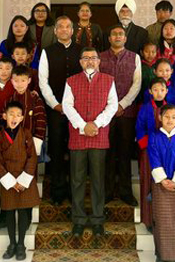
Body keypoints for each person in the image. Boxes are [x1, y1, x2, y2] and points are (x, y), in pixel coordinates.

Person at [62, 48, 119, 237]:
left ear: (99, 61)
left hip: (99, 135)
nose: (90, 61)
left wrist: (96, 123)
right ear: (80, 62)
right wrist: (82, 125)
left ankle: (97, 220)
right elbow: (67, 106)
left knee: (97, 180)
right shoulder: (71, 81)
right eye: (85, 58)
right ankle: (78, 220)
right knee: (77, 180)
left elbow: (112, 106)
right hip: (78, 136)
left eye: (93, 58)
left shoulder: (108, 80)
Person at [36, 16, 80, 204]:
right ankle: (57, 191)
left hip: (78, 111)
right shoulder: (47, 52)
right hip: (55, 109)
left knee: (75, 151)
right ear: (55, 31)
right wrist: (55, 104)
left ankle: (74, 191)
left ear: (72, 30)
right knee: (56, 148)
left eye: (67, 26)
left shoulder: (82, 51)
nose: (63, 29)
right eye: (60, 27)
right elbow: (42, 81)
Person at [98, 27, 141, 206]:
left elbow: (137, 84)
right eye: (114, 34)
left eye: (120, 34)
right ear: (109, 38)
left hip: (126, 112)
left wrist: (122, 104)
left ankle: (125, 192)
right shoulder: (99, 57)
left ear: (125, 38)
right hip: (105, 113)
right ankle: (106, 192)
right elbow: (97, 82)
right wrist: (110, 106)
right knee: (107, 153)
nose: (117, 36)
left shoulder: (134, 57)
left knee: (124, 153)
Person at [0, 101, 38, 261]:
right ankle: (12, 244)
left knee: (24, 211)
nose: (15, 118)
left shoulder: (26, 134)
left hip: (25, 179)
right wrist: (11, 181)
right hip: (8, 180)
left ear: (22, 118)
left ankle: (21, 245)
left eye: (18, 115)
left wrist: (24, 180)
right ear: (4, 116)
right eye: (11, 114)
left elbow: (32, 157)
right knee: (10, 212)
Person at [148, 105, 175, 262]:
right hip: (160, 184)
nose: (169, 120)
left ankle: (174, 255)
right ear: (160, 118)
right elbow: (154, 158)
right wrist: (163, 179)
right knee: (161, 220)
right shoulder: (154, 137)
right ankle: (162, 255)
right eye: (166, 116)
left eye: (173, 117)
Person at [135, 79, 170, 229]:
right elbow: (139, 129)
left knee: (163, 182)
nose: (159, 93)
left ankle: (162, 219)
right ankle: (149, 220)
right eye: (155, 90)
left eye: (162, 90)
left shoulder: (170, 109)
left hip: (166, 151)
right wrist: (148, 143)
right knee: (148, 183)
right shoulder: (145, 108)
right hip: (148, 151)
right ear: (150, 91)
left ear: (166, 91)